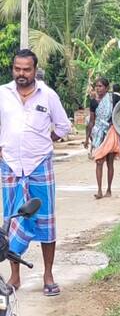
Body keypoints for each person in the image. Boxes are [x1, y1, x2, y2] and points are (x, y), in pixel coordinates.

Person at [0, 49, 71, 295]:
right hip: (9, 165)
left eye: (26, 69)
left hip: (39, 165)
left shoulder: (48, 95)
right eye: (17, 69)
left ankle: (48, 275)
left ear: (34, 70)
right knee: (11, 220)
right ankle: (15, 276)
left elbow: (63, 126)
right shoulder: (3, 94)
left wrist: (45, 141)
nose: (21, 74)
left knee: (45, 221)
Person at [84, 77, 120, 199]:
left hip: (110, 133)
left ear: (106, 88)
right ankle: (99, 190)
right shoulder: (93, 102)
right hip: (98, 133)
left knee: (110, 163)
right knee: (99, 161)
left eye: (100, 86)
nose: (98, 88)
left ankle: (109, 190)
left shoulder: (113, 99)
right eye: (96, 86)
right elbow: (91, 120)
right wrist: (87, 138)